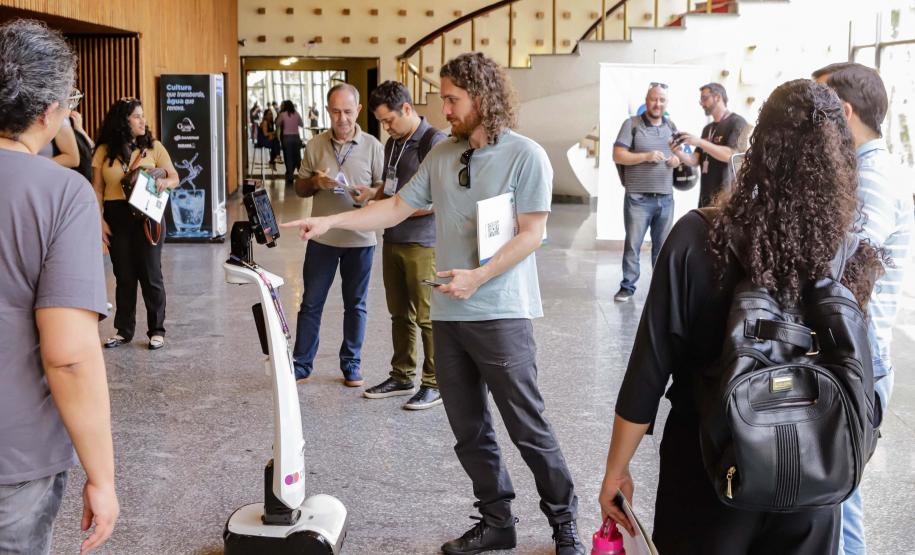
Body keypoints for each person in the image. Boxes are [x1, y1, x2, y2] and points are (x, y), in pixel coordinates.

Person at [283, 52, 585, 555]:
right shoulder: (444, 154)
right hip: (449, 314)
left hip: (501, 312)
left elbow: (533, 233)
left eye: (452, 100)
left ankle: (563, 523)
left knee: (527, 427)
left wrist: (480, 276)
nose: (444, 110)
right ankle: (497, 521)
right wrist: (330, 223)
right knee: (470, 431)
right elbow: (396, 206)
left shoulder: (526, 155)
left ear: (483, 99)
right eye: (443, 99)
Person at [598, 79, 884, 555]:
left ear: (759, 148)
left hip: (710, 467)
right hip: (813, 477)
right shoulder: (846, 250)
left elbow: (648, 369)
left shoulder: (697, 237)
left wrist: (616, 470)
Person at [0, 18, 119, 554]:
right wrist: (103, 476)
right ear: (50, 112)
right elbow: (69, 355)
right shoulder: (62, 194)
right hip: (14, 458)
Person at [812, 62, 914, 555]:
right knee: (834, 496)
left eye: (821, 107)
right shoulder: (864, 169)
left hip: (860, 357)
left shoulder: (874, 176)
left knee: (840, 498)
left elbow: (847, 265)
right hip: (854, 351)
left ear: (844, 111)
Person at [291, 83, 384, 386]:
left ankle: (351, 365)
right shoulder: (316, 145)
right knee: (311, 303)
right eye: (335, 111)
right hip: (323, 240)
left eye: (347, 111)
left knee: (355, 305)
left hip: (360, 241)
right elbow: (299, 188)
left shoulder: (373, 146)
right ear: (327, 110)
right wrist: (316, 182)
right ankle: (302, 364)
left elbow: (385, 193)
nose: (342, 118)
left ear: (358, 110)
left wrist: (368, 194)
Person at [364, 80, 447, 410]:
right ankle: (401, 375)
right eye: (381, 122)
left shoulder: (434, 141)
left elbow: (441, 199)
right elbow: (390, 187)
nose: (386, 127)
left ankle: (434, 382)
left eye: (389, 120)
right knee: (399, 313)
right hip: (393, 238)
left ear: (408, 109)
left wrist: (394, 209)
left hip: (422, 243)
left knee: (426, 316)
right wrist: (373, 198)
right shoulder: (392, 143)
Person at [92, 97, 179, 351]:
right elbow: (97, 190)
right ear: (123, 121)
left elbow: (175, 176)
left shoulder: (153, 147)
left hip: (147, 215)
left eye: (143, 115)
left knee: (151, 273)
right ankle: (123, 331)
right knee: (124, 276)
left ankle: (157, 330)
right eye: (137, 116)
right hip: (116, 215)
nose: (143, 120)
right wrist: (99, 221)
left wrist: (164, 181)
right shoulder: (103, 151)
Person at [611, 83, 681, 302]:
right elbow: (618, 155)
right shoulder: (631, 125)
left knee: (662, 248)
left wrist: (676, 161)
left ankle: (659, 291)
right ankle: (627, 287)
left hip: (665, 198)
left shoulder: (671, 126)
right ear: (646, 100)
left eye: (662, 100)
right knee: (633, 245)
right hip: (638, 198)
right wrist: (646, 156)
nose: (657, 104)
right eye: (653, 99)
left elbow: (681, 156)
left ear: (666, 103)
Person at [672, 82, 748, 207]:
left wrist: (699, 142)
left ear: (717, 97)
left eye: (704, 98)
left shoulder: (737, 122)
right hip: (706, 196)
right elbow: (694, 160)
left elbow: (731, 155)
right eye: (701, 99)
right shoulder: (708, 129)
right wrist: (677, 151)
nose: (702, 103)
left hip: (726, 197)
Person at [277, 100, 304, 185]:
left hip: (286, 138)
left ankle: (290, 177)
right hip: (296, 138)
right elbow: (301, 124)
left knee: (288, 157)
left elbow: (277, 124)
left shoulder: (282, 114)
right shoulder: (296, 114)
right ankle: (302, 176)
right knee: (297, 157)